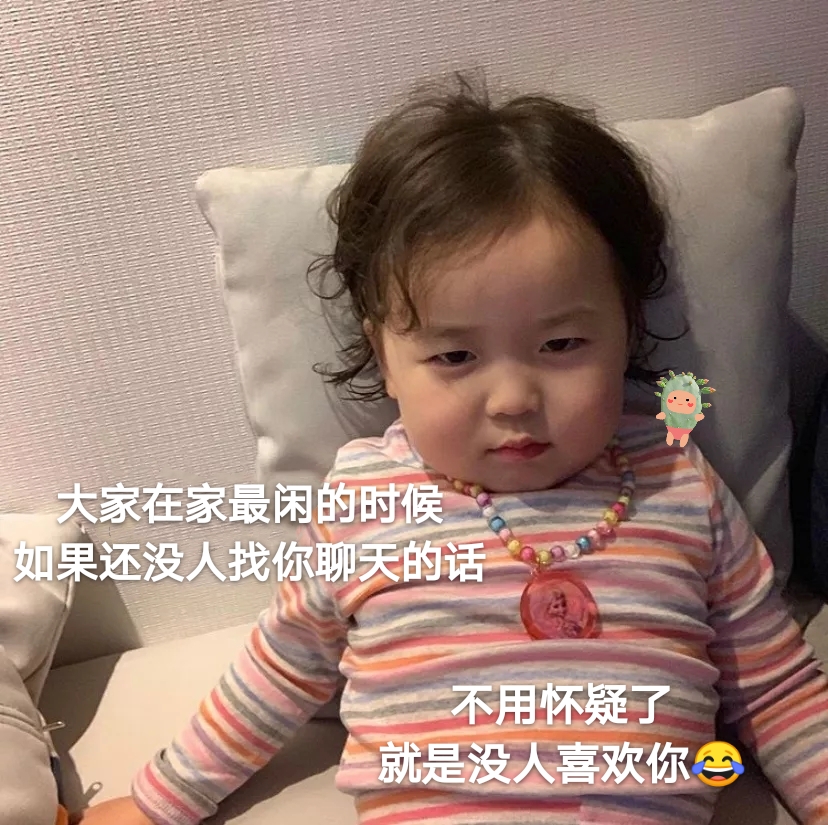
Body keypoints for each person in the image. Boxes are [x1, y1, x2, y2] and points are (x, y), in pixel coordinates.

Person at [79, 70, 828, 825]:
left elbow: (774, 682)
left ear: (627, 329)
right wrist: (158, 800)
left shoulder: (676, 479)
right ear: (385, 360)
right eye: (455, 357)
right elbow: (282, 665)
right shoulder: (364, 500)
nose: (512, 399)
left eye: (561, 344)